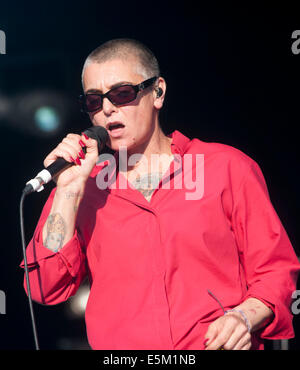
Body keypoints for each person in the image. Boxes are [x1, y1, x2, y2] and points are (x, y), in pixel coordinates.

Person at [21, 38, 300, 350]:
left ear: (158, 92)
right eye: (94, 101)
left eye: (122, 93)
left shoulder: (226, 168)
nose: (108, 109)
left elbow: (276, 272)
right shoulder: (82, 188)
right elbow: (44, 287)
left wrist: (244, 317)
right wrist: (68, 190)